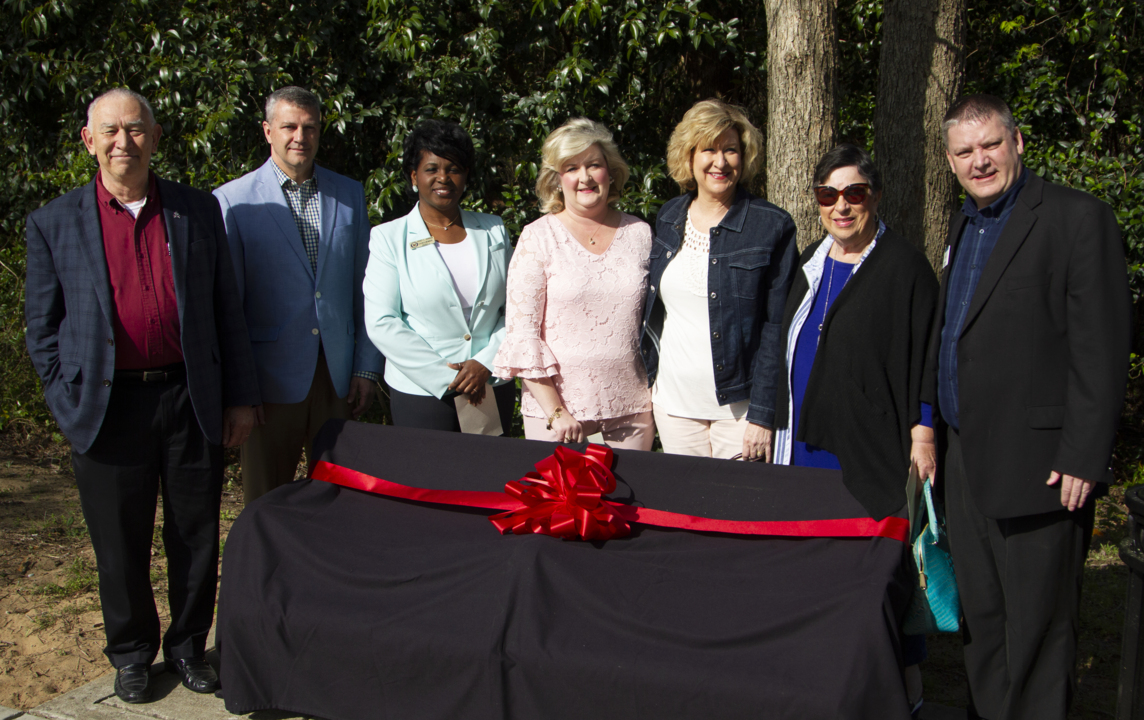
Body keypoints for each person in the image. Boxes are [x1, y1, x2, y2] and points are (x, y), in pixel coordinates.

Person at [24, 89, 261, 703]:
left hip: (190, 397)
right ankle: (131, 652)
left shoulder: (195, 210)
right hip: (106, 408)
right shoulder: (54, 222)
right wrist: (64, 394)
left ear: (154, 138)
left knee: (194, 532)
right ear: (88, 140)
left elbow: (224, 309)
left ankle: (187, 647)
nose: (122, 141)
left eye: (135, 129)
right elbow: (41, 326)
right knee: (118, 539)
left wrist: (239, 395)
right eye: (110, 130)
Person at [926, 94, 1132, 720]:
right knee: (983, 626)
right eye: (965, 152)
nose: (979, 160)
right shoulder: (966, 223)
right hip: (967, 461)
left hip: (1044, 465)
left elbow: (1102, 347)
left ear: (1017, 143)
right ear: (951, 162)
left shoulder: (1076, 217)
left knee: (1041, 632)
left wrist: (1084, 455)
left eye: (990, 144)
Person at [772, 144, 938, 717]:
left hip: (868, 455)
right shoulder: (811, 262)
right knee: (812, 573)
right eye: (828, 196)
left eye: (854, 194)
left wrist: (923, 431)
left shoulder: (904, 267)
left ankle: (902, 698)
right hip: (805, 448)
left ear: (875, 197)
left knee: (874, 584)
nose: (841, 206)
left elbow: (926, 357)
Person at [213, 86, 382, 504]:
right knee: (266, 499)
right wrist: (240, 391)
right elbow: (228, 306)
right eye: (289, 126)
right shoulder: (232, 201)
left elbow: (367, 287)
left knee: (339, 496)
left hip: (337, 374)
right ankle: (266, 571)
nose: (299, 137)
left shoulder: (349, 195)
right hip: (268, 380)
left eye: (309, 127)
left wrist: (365, 368)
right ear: (268, 131)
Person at [640, 99, 797, 460]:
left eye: (730, 150)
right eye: (708, 149)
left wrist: (762, 415)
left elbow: (778, 327)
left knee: (741, 514)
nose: (720, 162)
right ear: (689, 156)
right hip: (674, 406)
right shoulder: (668, 217)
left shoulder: (771, 226)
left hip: (740, 413)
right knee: (685, 514)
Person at [495, 118, 653, 448]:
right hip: (558, 418)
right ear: (557, 179)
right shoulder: (537, 237)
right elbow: (523, 335)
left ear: (610, 171)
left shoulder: (640, 234)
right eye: (572, 167)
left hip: (632, 411)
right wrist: (556, 413)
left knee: (630, 501)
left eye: (594, 165)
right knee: (558, 502)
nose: (585, 177)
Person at [363, 120, 515, 432]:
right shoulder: (388, 238)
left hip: (489, 383)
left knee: (485, 478)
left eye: (454, 168)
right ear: (414, 176)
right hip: (422, 392)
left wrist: (486, 361)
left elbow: (517, 309)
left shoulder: (494, 229)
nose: (443, 178)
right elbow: (382, 321)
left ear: (466, 175)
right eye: (432, 168)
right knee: (427, 479)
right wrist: (448, 377)